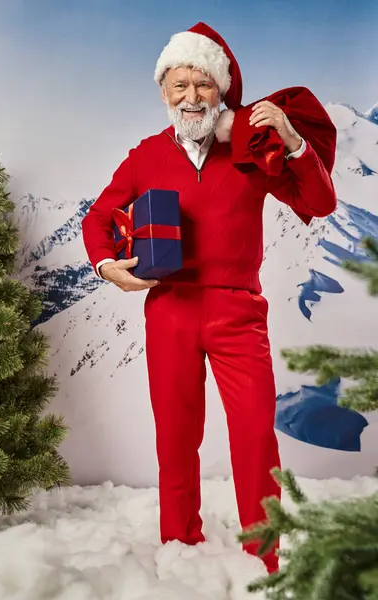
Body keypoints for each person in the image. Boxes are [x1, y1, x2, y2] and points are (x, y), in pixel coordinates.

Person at [82, 22, 337, 573]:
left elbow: (319, 203)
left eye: (203, 84)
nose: (191, 97)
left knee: (253, 438)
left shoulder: (253, 151)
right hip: (169, 309)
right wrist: (107, 266)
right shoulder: (146, 155)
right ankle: (178, 547)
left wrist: (293, 142)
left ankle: (263, 555)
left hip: (237, 311)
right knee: (175, 439)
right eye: (180, 85)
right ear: (163, 92)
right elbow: (99, 216)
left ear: (221, 90)